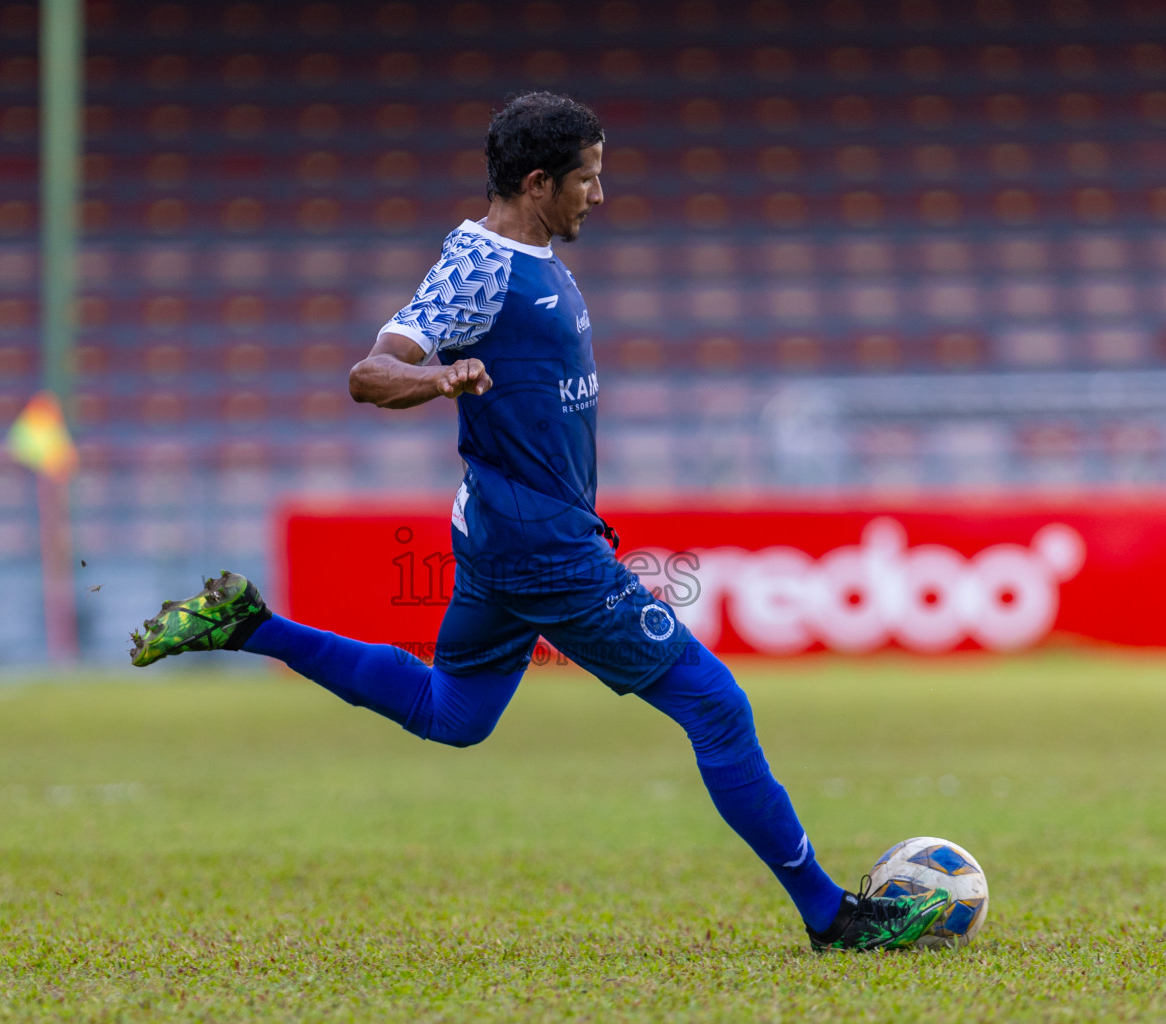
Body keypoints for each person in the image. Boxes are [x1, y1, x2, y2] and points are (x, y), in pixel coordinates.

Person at [128, 92, 949, 952]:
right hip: (544, 550)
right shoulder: (479, 271)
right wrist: (441, 381)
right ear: (536, 181)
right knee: (716, 706)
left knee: (454, 714)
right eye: (587, 179)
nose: (599, 195)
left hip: (504, 534)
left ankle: (253, 626)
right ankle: (832, 916)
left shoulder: (530, 254)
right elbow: (370, 374)